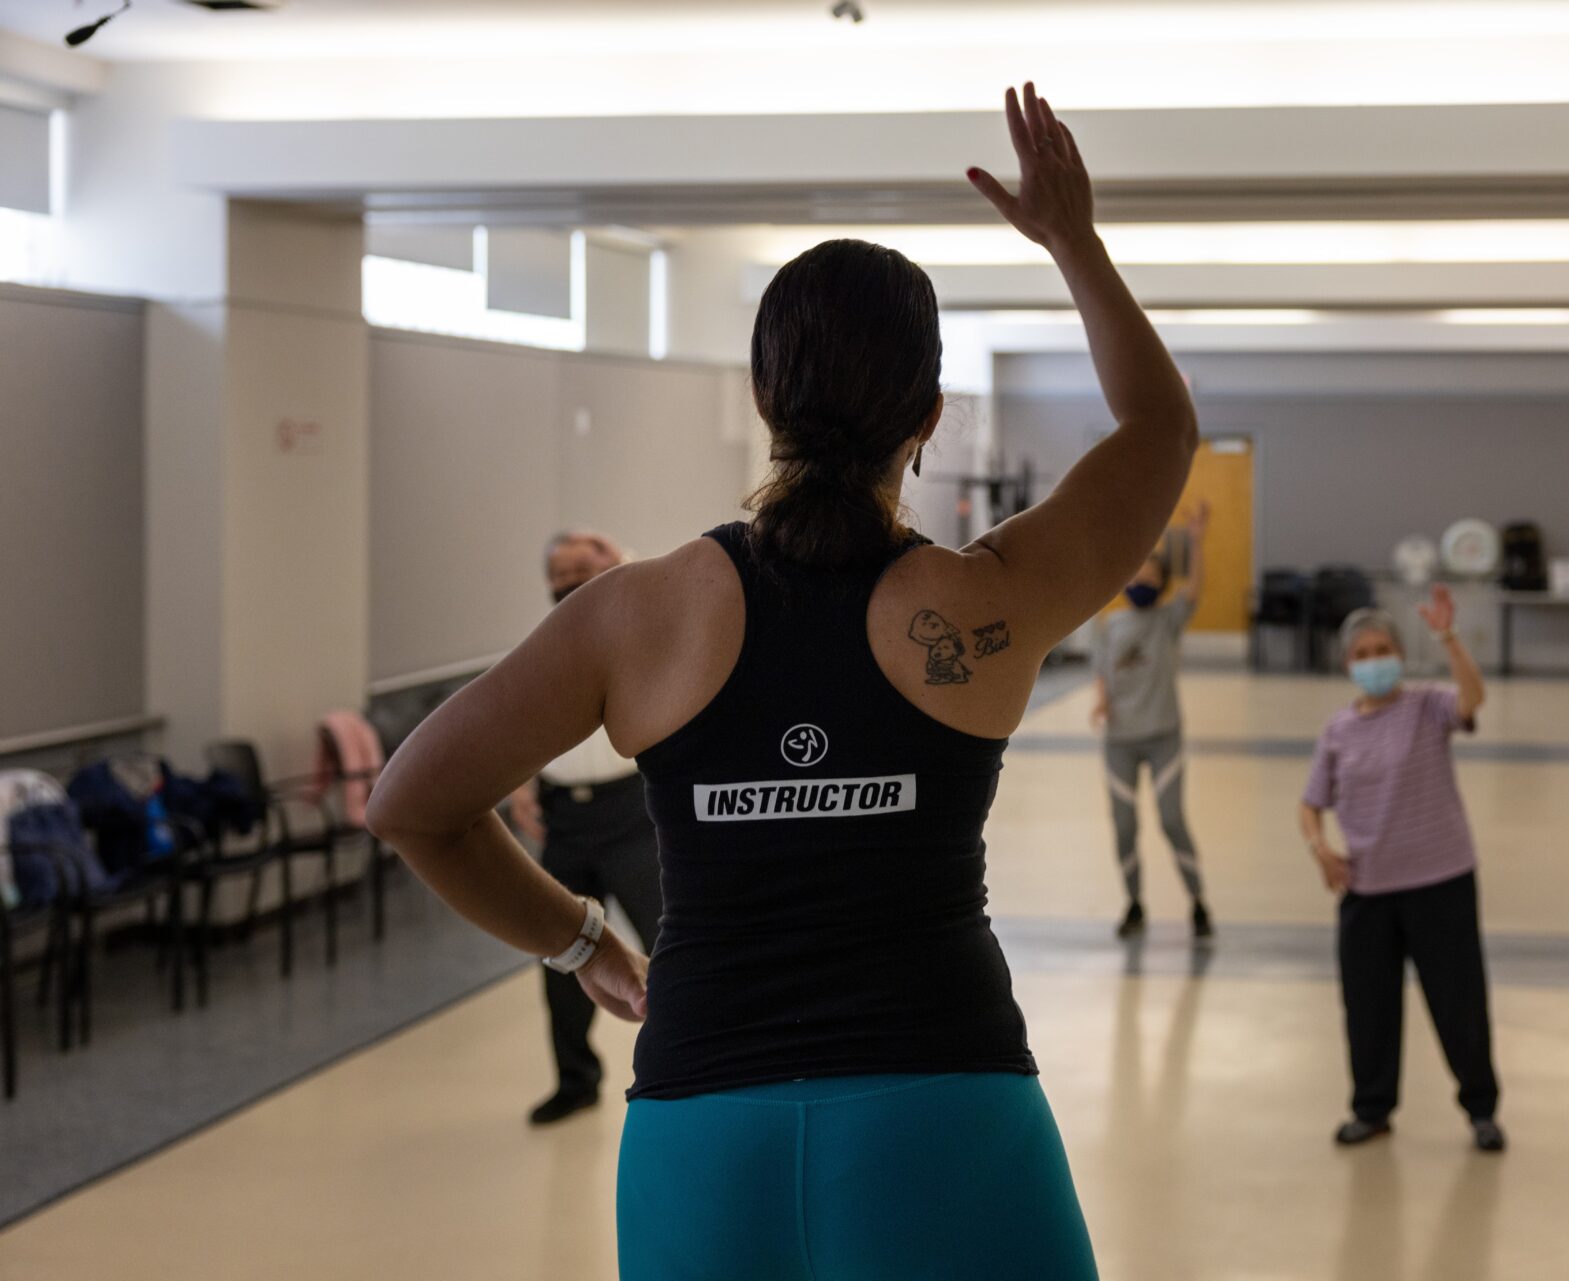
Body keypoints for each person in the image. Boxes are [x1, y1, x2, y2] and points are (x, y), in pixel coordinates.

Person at [367, 82, 1196, 1281]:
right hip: (945, 1115)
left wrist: (574, 936)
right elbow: (1160, 432)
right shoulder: (984, 606)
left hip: (707, 1131)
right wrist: (1072, 241)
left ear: (765, 403)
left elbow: (413, 804)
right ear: (927, 419)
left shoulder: (638, 614)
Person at [1297, 587, 1505, 1154]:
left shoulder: (1427, 706)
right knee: (1368, 1008)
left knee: (1459, 1002)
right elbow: (1309, 803)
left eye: (1382, 649)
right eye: (1362, 653)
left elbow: (1473, 698)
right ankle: (1372, 1109)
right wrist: (1321, 849)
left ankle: (1481, 1110)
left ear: (1400, 654)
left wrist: (1448, 637)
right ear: (1347, 665)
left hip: (1442, 880)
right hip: (1367, 890)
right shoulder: (1338, 731)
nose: (1373, 660)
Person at [509, 531, 665, 1125]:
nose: (570, 581)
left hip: (631, 813)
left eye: (586, 568)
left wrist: (620, 563)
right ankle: (575, 1079)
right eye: (561, 573)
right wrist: (523, 786)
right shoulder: (540, 646)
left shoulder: (640, 634)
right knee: (562, 956)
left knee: (668, 943)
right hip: (565, 820)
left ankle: (686, 1062)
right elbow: (519, 725)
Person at [1091, 502, 1215, 939]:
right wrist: (1101, 703)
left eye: (1150, 575)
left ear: (1162, 584)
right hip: (1120, 743)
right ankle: (1134, 904)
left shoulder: (1167, 621)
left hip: (1163, 737)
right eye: (1135, 572)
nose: (1142, 579)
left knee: (1171, 820)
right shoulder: (1110, 624)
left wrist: (1196, 543)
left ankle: (1198, 903)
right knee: (1125, 828)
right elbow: (1102, 671)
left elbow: (1195, 590)